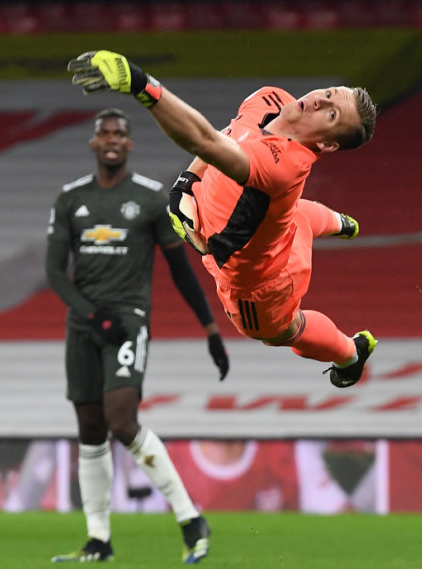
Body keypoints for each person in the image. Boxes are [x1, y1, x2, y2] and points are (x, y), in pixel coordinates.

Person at [67, 50, 379, 392]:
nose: (320, 101)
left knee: (282, 331)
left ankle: (351, 354)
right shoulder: (270, 98)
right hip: (278, 226)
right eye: (330, 93)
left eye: (331, 113)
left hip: (261, 284)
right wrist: (186, 182)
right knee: (291, 216)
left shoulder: (281, 166)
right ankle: (340, 222)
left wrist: (144, 86)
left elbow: (204, 139)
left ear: (326, 144)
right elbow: (228, 133)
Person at [46, 107, 228, 564]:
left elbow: (181, 270)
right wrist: (91, 315)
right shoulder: (70, 199)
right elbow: (53, 271)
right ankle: (98, 539)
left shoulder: (149, 200)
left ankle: (190, 519)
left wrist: (210, 329)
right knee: (90, 431)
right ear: (94, 143)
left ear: (130, 144)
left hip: (127, 322)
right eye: (103, 132)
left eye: (119, 133)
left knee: (121, 422)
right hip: (84, 326)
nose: (111, 139)